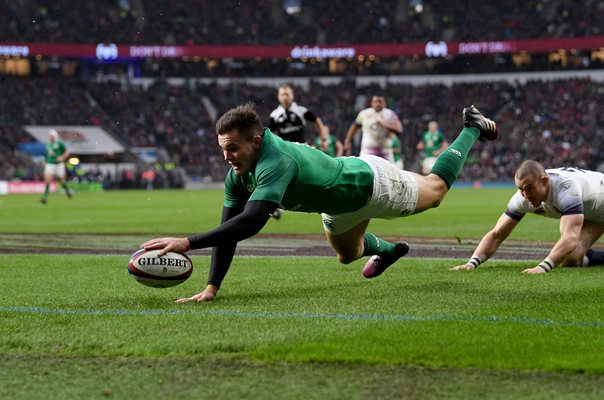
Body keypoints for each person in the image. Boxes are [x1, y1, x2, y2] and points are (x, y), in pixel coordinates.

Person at [142, 103, 498, 302]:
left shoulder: (276, 161)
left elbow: (251, 222)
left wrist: (188, 243)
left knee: (435, 190)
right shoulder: (239, 173)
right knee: (347, 254)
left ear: (255, 139)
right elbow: (228, 230)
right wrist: (211, 288)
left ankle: (471, 126)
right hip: (338, 204)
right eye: (222, 149)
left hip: (369, 184)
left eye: (232, 148)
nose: (227, 157)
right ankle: (388, 251)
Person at [450, 160, 604, 274]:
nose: (526, 195)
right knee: (569, 258)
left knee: (567, 244)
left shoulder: (567, 190)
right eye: (520, 189)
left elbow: (569, 238)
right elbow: (497, 234)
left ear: (545, 182)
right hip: (593, 212)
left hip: (599, 205)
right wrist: (472, 263)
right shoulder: (522, 197)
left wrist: (542, 267)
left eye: (530, 188)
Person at [267, 83, 329, 219]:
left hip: (301, 149)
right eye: (282, 94)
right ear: (278, 97)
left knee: (313, 174)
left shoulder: (300, 110)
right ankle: (276, 206)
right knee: (279, 179)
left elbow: (316, 119)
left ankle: (325, 201)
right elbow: (269, 134)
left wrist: (323, 137)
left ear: (292, 95)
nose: (285, 97)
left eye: (287, 94)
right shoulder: (275, 115)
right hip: (284, 152)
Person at [343, 95, 403, 162]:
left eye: (380, 101)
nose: (377, 104)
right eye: (375, 101)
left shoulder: (390, 114)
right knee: (365, 170)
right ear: (372, 103)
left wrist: (385, 125)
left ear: (385, 103)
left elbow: (399, 130)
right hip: (367, 150)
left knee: (387, 172)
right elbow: (355, 126)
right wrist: (347, 141)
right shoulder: (364, 113)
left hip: (385, 151)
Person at [40, 129, 72, 204]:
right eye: (49, 136)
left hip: (59, 165)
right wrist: (46, 160)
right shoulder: (47, 144)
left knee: (61, 181)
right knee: (47, 179)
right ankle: (45, 197)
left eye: (51, 136)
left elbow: (67, 152)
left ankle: (67, 191)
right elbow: (47, 154)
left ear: (55, 136)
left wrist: (62, 157)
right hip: (50, 164)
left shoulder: (60, 143)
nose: (50, 137)